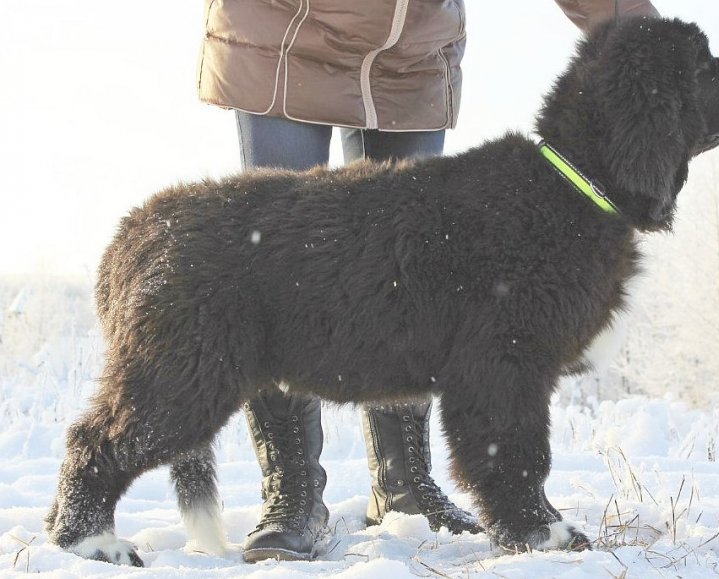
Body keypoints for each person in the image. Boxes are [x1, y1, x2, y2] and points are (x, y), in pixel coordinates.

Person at [197, 0, 658, 563]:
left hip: (409, 55)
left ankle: (405, 488)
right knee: (280, 270)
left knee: (415, 274)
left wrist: (643, 37)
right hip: (282, 40)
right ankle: (292, 495)